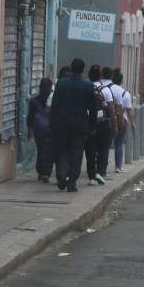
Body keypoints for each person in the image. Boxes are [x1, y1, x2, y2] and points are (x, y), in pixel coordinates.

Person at [50, 58, 98, 192]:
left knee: (62, 151)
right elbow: (93, 109)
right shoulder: (87, 86)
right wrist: (92, 126)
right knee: (76, 154)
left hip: (62, 124)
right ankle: (72, 181)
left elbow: (55, 106)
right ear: (83, 70)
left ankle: (61, 175)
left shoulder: (61, 84)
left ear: (71, 68)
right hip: (80, 125)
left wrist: (52, 124)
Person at [84, 65, 116, 186]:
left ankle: (91, 176)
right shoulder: (105, 89)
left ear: (89, 75)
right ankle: (101, 173)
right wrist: (114, 125)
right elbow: (112, 109)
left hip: (89, 122)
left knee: (90, 150)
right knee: (103, 148)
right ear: (100, 76)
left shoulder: (86, 87)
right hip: (102, 122)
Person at [27, 77, 54, 183]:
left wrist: (29, 130)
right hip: (51, 128)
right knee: (50, 150)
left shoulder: (34, 101)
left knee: (41, 150)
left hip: (39, 129)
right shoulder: (53, 98)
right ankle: (47, 172)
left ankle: (41, 172)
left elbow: (30, 117)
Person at [108, 70, 134, 173]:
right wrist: (133, 122)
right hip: (121, 120)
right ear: (121, 81)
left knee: (105, 144)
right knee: (119, 144)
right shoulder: (125, 93)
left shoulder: (108, 89)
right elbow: (129, 110)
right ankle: (118, 166)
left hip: (109, 119)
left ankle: (102, 166)